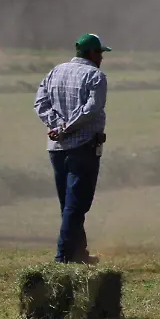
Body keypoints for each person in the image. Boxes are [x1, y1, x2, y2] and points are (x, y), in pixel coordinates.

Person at [33, 33, 111, 264]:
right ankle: (63, 256)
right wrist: (67, 127)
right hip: (83, 146)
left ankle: (79, 252)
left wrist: (56, 125)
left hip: (56, 147)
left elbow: (40, 103)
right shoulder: (96, 76)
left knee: (68, 204)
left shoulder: (54, 71)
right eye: (100, 53)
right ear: (92, 53)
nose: (102, 58)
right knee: (77, 205)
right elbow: (92, 109)